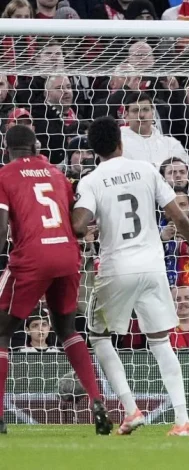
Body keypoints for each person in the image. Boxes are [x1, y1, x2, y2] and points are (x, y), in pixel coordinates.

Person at [71, 116, 189, 437]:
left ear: (95, 151)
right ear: (121, 144)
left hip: (116, 269)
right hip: (153, 267)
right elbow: (176, 213)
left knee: (99, 336)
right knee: (161, 341)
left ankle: (131, 409)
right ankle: (182, 420)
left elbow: (79, 226)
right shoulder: (146, 170)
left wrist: (80, 216)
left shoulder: (91, 180)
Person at [0, 125, 111, 435]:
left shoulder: (5, 175)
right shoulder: (57, 174)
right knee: (67, 330)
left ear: (7, 149)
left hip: (32, 257)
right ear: (36, 146)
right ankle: (96, 399)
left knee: (1, 332)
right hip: (67, 255)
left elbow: (0, 230)